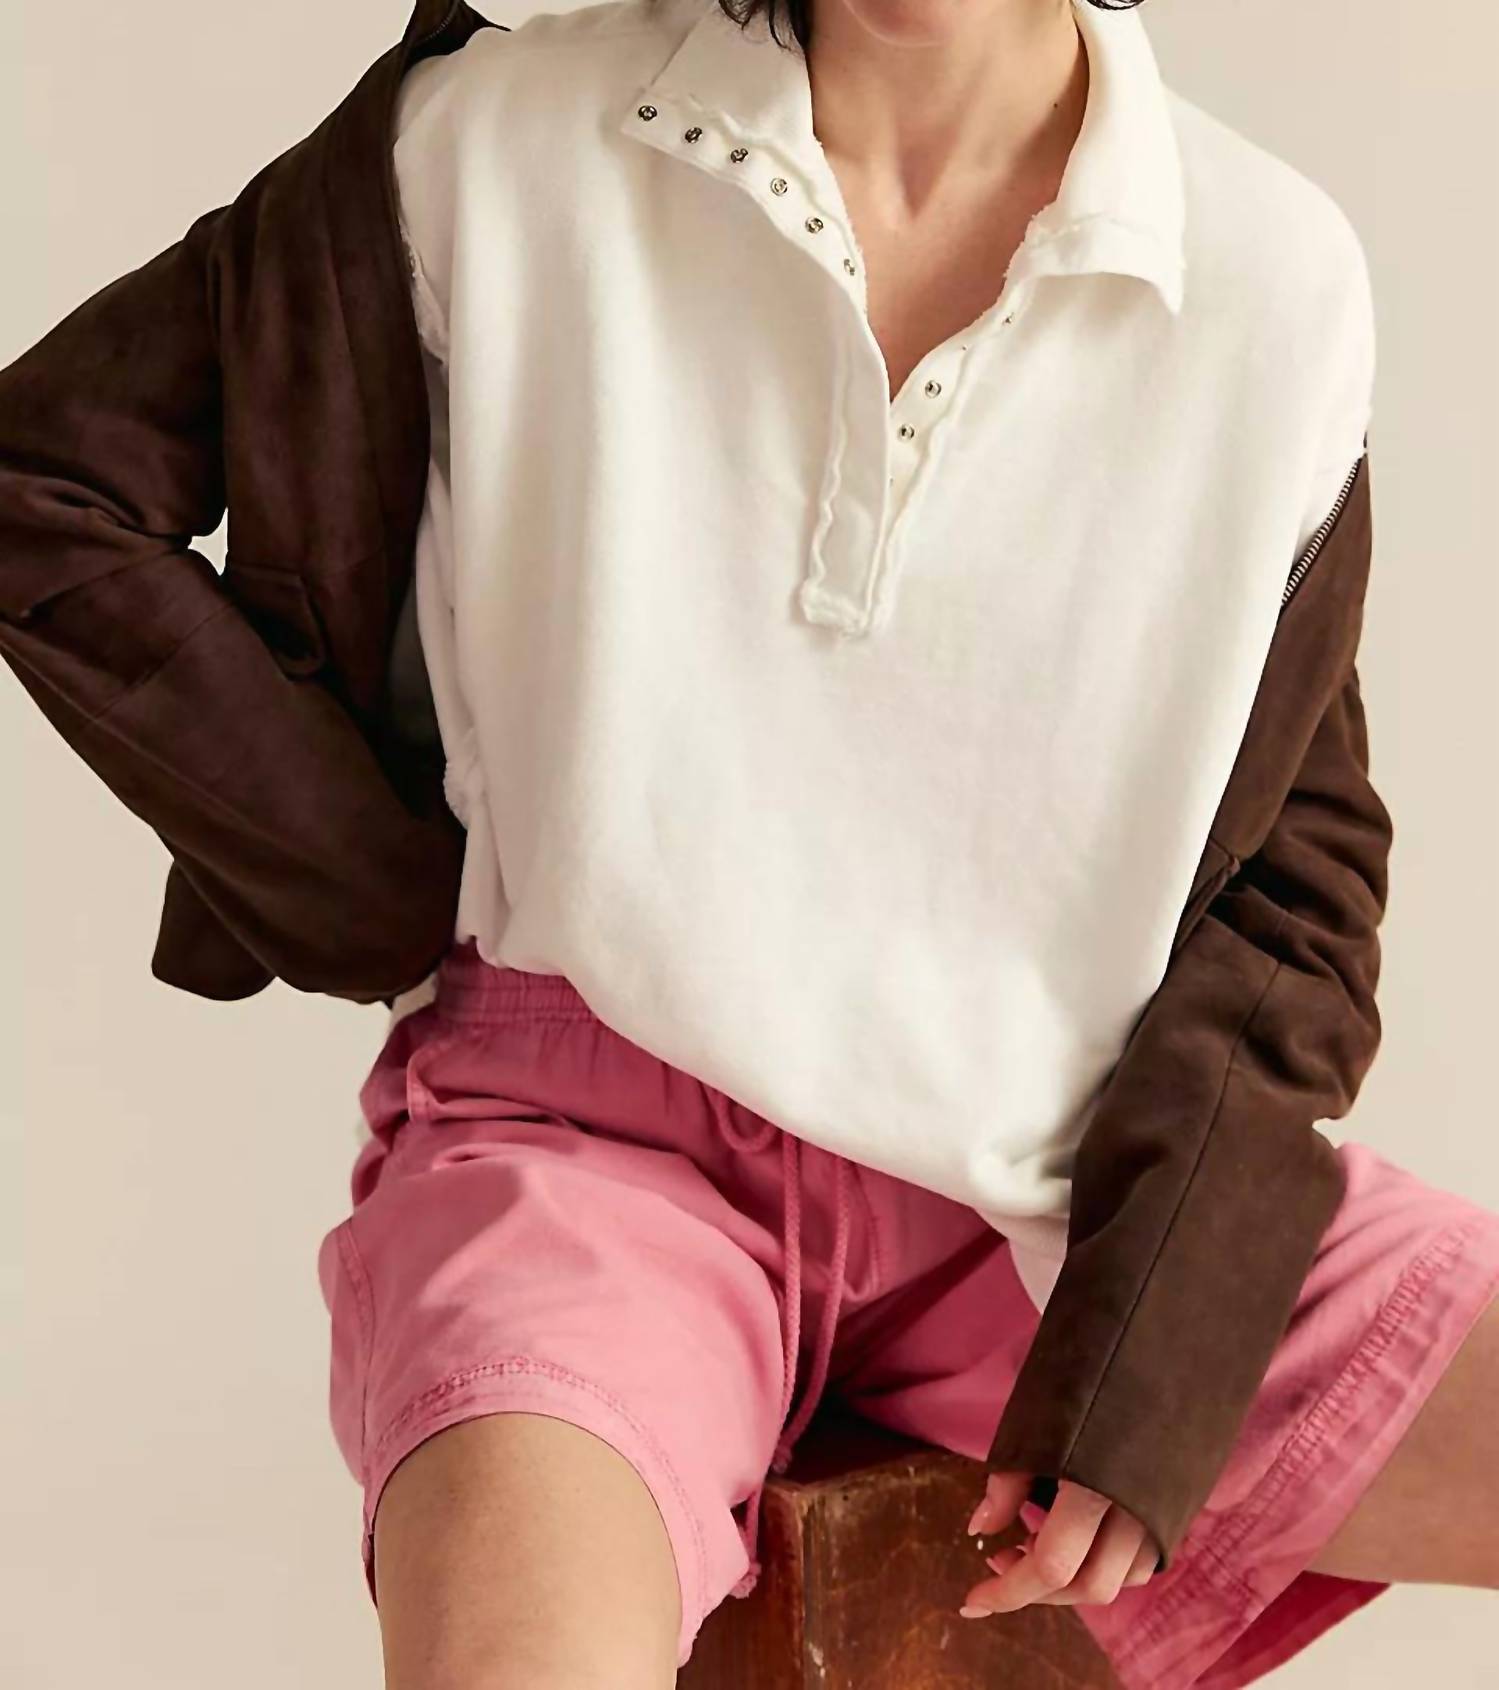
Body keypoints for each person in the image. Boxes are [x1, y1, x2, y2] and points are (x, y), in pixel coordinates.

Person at [4, 2, 1496, 1688]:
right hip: (580, 1159)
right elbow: (47, 475)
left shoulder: (1267, 281)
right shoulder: (495, 143)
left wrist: (1157, 1342)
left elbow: (1292, 889)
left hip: (1065, 1185)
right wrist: (368, 887)